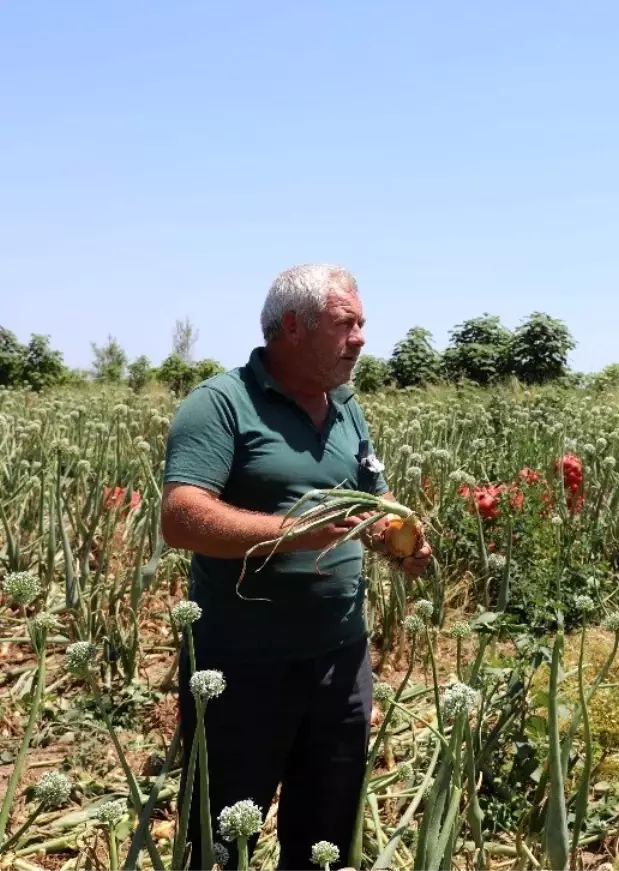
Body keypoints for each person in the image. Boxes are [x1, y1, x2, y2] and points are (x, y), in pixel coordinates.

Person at [160, 264, 432, 869]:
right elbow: (181, 517)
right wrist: (294, 535)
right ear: (292, 327)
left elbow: (373, 497)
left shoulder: (346, 408)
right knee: (220, 838)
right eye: (345, 323)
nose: (360, 336)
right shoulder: (221, 403)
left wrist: (400, 540)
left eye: (362, 323)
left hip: (340, 661)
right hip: (240, 665)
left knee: (324, 839)